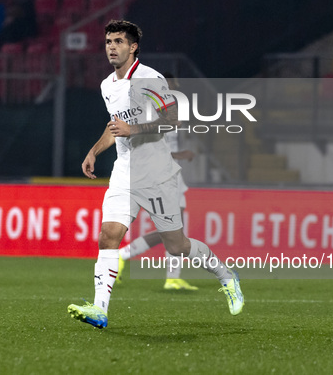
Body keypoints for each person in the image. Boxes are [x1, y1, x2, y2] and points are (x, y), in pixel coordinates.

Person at [67, 20, 243, 329]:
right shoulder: (107, 85)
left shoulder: (151, 78)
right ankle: (99, 309)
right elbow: (115, 128)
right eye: (108, 41)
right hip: (124, 171)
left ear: (133, 47)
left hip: (157, 173)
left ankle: (226, 276)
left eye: (119, 41)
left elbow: (171, 119)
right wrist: (95, 151)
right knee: (108, 236)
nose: (111, 46)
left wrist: (132, 129)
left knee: (176, 246)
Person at [116, 72, 198, 291]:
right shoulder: (151, 112)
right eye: (172, 84)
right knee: (172, 229)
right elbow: (151, 148)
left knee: (173, 229)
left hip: (170, 174)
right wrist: (181, 155)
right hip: (161, 173)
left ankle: (172, 277)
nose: (176, 87)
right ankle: (124, 255)